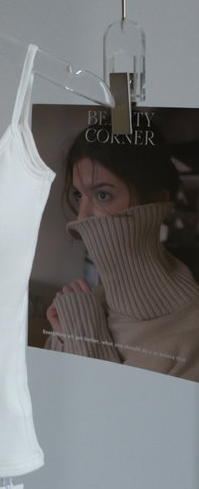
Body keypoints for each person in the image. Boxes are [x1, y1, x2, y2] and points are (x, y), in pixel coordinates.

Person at [45, 123, 199, 382]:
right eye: (79, 196)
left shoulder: (191, 334)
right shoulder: (82, 304)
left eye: (103, 195)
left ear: (157, 201)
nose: (82, 217)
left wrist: (83, 339)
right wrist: (63, 338)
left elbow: (105, 408)